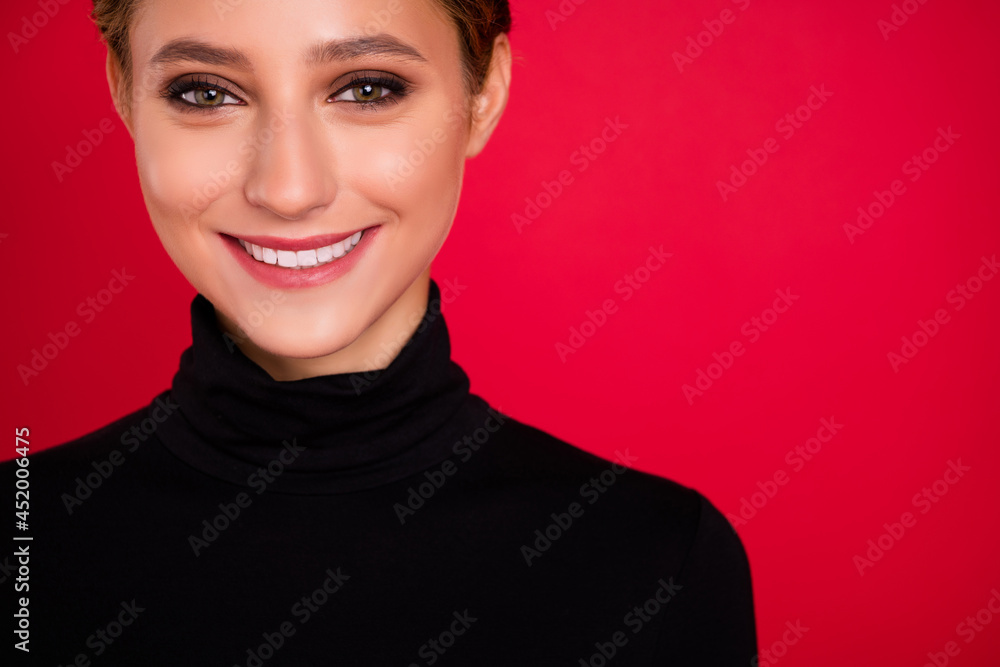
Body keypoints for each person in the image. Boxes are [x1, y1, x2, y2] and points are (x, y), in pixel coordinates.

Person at [3, 0, 757, 663]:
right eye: (205, 92)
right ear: (124, 94)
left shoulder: (657, 559)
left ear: (483, 93)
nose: (288, 189)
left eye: (368, 89)